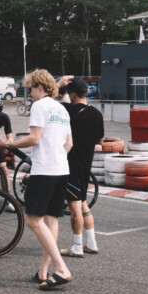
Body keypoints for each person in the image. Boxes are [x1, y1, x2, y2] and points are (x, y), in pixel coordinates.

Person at [8, 69, 73, 290]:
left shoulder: (39, 106)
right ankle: (44, 271)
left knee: (35, 221)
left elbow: (34, 138)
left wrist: (10, 144)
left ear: (40, 87)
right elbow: (69, 144)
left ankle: (61, 269)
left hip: (44, 170)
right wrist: (56, 157)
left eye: (30, 88)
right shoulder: (61, 109)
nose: (29, 92)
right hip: (61, 169)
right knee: (51, 220)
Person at [55, 77, 104, 258]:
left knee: (74, 205)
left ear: (73, 94)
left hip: (71, 165)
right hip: (86, 165)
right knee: (83, 203)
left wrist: (59, 85)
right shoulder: (96, 114)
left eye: (69, 93)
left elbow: (50, 99)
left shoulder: (68, 111)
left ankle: (77, 247)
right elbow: (100, 140)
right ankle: (91, 243)